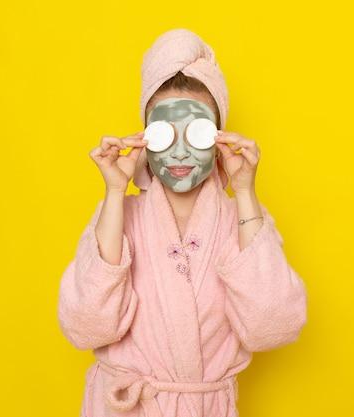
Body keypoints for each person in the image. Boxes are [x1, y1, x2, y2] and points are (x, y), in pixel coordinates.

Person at [57, 28, 308, 417]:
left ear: (219, 137)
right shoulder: (121, 217)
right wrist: (113, 194)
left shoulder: (238, 221)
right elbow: (86, 325)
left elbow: (270, 326)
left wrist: (244, 191)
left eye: (197, 132)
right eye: (162, 133)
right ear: (144, 138)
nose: (178, 150)